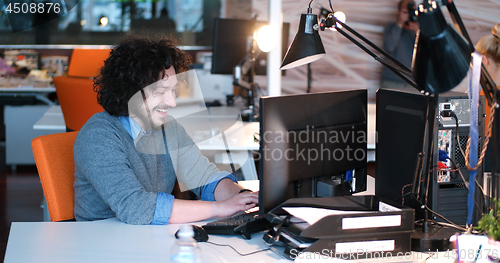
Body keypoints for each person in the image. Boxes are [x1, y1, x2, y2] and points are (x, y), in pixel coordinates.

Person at [73, 36, 258, 225]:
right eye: (160, 92)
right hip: (100, 242)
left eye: (173, 91)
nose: (172, 102)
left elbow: (204, 178)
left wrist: (242, 197)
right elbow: (136, 208)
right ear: (130, 92)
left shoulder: (169, 128)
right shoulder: (98, 136)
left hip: (146, 237)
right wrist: (220, 208)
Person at [380, 0, 418, 91]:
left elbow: (426, 53)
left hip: (413, 81)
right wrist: (400, 23)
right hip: (391, 80)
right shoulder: (390, 27)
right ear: (399, 12)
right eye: (406, 11)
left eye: (412, 11)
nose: (409, 14)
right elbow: (389, 47)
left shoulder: (420, 30)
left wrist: (417, 31)